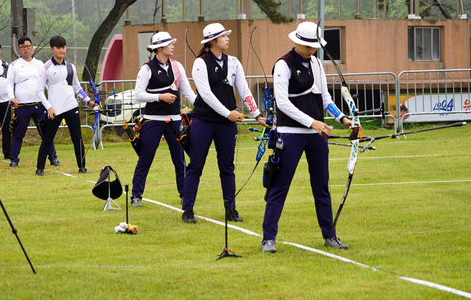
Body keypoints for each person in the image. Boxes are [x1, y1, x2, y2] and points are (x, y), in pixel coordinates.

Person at [260, 21, 352, 253]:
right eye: (307, 45)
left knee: (321, 186)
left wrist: (342, 118)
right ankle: (268, 239)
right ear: (296, 41)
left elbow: (325, 99)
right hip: (291, 134)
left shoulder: (317, 63)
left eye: (314, 46)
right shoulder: (283, 65)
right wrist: (311, 122)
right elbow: (283, 103)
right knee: (279, 187)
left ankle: (330, 236)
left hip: (317, 134)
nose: (311, 50)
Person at [181, 23, 267, 224]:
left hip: (226, 124)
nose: (227, 38)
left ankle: (231, 209)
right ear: (212, 42)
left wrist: (257, 115)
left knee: (227, 167)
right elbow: (206, 94)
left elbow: (244, 91)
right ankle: (188, 210)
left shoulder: (234, 62)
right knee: (195, 166)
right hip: (203, 120)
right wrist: (228, 113)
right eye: (223, 36)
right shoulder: (200, 63)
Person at [130, 32, 197, 206]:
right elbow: (138, 94)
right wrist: (160, 97)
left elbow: (187, 91)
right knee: (145, 158)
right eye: (169, 44)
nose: (173, 46)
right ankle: (136, 195)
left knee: (179, 160)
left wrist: (203, 106)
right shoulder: (146, 68)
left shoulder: (177, 66)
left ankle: (184, 195)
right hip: (152, 119)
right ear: (159, 48)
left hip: (174, 119)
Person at [35, 35, 94, 175]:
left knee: (77, 138)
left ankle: (82, 166)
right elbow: (38, 91)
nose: (61, 50)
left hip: (71, 106)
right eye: (58, 48)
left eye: (63, 47)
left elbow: (77, 88)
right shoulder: (46, 68)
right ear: (52, 49)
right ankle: (40, 168)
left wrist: (89, 100)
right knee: (47, 139)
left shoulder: (71, 67)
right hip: (54, 109)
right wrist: (49, 107)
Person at [6, 36, 57, 167]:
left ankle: (53, 158)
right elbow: (9, 84)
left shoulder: (40, 64)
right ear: (19, 49)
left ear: (32, 48)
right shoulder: (14, 65)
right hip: (22, 105)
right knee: (18, 134)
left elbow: (47, 83)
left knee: (46, 133)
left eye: (28, 46)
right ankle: (14, 159)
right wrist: (11, 97)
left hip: (39, 104)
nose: (26, 49)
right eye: (22, 47)